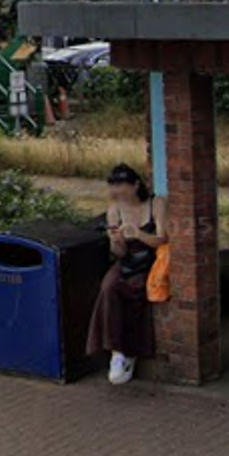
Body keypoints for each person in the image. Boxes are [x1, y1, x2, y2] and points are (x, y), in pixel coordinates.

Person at [88, 164, 168, 385]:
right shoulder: (114, 209)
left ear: (135, 185)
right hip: (127, 260)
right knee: (109, 287)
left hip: (151, 257)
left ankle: (132, 350)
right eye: (115, 189)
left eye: (123, 188)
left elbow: (162, 239)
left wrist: (138, 233)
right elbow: (118, 253)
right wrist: (116, 241)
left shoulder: (156, 203)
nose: (119, 194)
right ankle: (116, 350)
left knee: (137, 289)